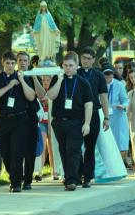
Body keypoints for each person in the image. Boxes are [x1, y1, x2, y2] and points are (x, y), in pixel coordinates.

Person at [0, 51, 35, 192]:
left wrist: (21, 82)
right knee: (5, 152)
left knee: (17, 152)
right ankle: (14, 176)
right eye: (7, 63)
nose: (10, 66)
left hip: (20, 119)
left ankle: (15, 183)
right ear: (3, 63)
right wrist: (8, 86)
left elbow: (31, 97)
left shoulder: (22, 77)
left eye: (13, 63)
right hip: (3, 119)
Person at [48, 51, 93, 191]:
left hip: (76, 122)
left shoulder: (83, 83)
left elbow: (89, 104)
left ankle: (71, 181)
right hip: (59, 122)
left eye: (71, 65)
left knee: (73, 150)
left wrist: (87, 123)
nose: (68, 68)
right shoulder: (57, 79)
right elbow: (51, 95)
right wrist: (60, 80)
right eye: (65, 65)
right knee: (63, 150)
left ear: (77, 66)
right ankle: (71, 176)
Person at [77, 47, 109, 188]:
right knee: (75, 146)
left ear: (94, 60)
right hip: (76, 114)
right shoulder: (75, 73)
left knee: (90, 146)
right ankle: (76, 174)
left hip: (94, 113)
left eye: (89, 58)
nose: (85, 61)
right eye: (83, 58)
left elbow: (103, 97)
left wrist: (106, 117)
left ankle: (88, 176)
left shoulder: (99, 75)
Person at [16, 51, 45, 189]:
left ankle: (27, 180)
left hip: (31, 117)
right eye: (20, 60)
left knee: (30, 151)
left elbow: (41, 95)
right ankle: (17, 177)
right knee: (16, 150)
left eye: (25, 60)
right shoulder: (14, 77)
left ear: (28, 62)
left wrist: (34, 78)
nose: (23, 63)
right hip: (16, 118)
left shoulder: (32, 77)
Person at [102, 64, 129, 163]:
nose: (108, 78)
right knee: (107, 140)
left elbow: (125, 100)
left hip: (118, 115)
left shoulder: (119, 84)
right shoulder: (99, 84)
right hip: (104, 115)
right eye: (106, 76)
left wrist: (123, 105)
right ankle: (109, 163)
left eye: (110, 76)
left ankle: (120, 162)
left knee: (120, 140)